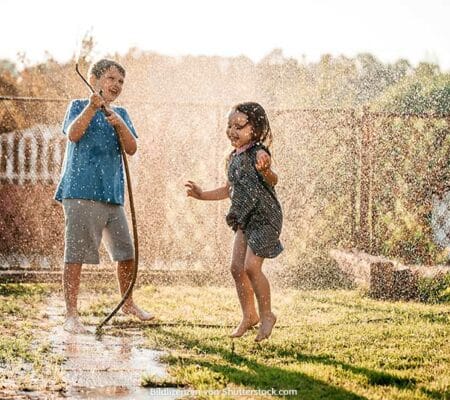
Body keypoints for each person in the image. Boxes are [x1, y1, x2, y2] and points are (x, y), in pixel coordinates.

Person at [55, 59, 153, 333]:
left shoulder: (120, 113)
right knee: (76, 253)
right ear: (95, 79)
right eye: (111, 79)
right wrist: (92, 107)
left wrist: (118, 122)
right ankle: (71, 315)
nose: (117, 85)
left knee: (126, 252)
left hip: (112, 194)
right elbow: (73, 135)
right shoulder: (78, 105)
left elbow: (131, 148)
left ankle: (127, 302)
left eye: (121, 82)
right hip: (80, 191)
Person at [185, 102, 283, 342]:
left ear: (255, 128)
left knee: (251, 267)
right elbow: (229, 190)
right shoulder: (232, 158)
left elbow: (273, 180)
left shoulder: (259, 152)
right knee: (236, 268)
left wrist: (266, 169)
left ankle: (267, 314)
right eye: (229, 125)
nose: (232, 130)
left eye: (239, 125)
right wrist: (202, 194)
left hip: (265, 217)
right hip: (244, 218)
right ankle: (249, 315)